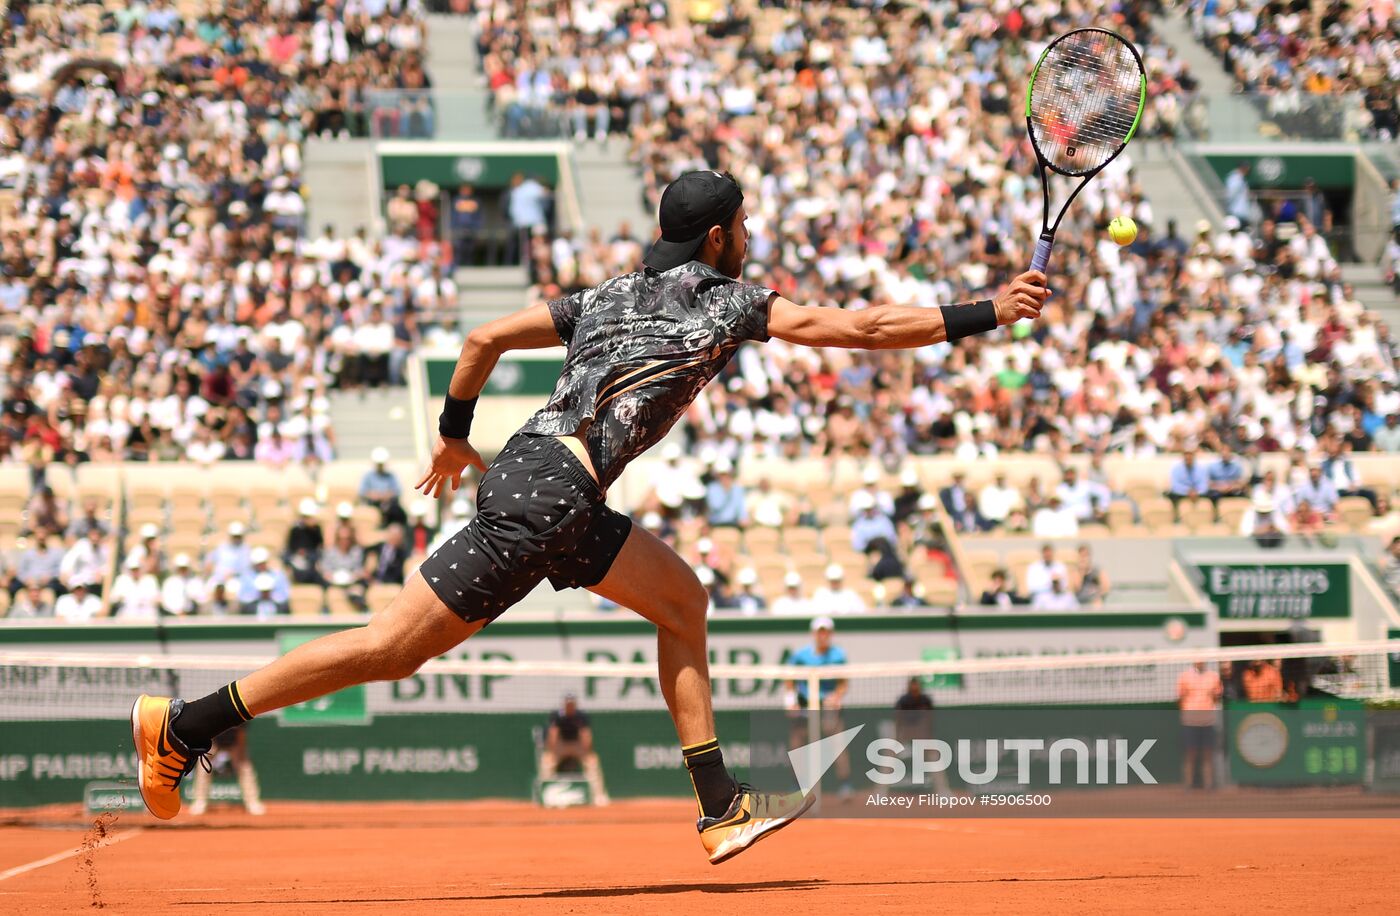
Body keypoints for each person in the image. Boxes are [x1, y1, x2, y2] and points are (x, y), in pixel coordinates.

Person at [131, 169, 1048, 864]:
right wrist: (987, 313)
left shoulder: (604, 296)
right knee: (386, 651)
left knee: (680, 603)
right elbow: (866, 329)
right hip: (553, 497)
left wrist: (455, 435)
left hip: (543, 481)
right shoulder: (728, 302)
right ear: (723, 238)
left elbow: (482, 337)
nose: (748, 241)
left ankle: (720, 804)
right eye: (745, 231)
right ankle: (186, 723)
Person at [785, 617, 851, 794]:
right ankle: (796, 785)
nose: (823, 636)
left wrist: (836, 696)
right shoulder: (801, 655)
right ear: (814, 634)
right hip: (806, 706)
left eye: (826, 632)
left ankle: (844, 784)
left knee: (838, 744)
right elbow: (789, 679)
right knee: (797, 746)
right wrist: (791, 700)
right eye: (820, 632)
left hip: (828, 707)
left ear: (831, 634)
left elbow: (843, 682)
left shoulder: (838, 656)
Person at [539, 694, 610, 806]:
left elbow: (586, 735)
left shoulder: (581, 716)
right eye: (568, 704)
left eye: (571, 704)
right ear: (564, 705)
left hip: (577, 745)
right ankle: (544, 795)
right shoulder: (557, 715)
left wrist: (587, 752)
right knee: (547, 761)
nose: (570, 706)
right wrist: (552, 752)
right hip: (561, 744)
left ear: (575, 705)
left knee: (592, 762)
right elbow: (553, 734)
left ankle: (598, 796)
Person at [188, 723, 266, 816]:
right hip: (213, 737)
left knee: (244, 767)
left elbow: (242, 732)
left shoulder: (241, 711)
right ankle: (199, 802)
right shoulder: (214, 711)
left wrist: (241, 751)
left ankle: (252, 803)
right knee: (204, 765)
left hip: (234, 738)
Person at [1177, 660, 1222, 790]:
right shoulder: (1185, 676)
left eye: (1202, 661)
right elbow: (1180, 698)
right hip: (1190, 721)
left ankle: (1209, 785)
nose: (1200, 663)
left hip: (1208, 721)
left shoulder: (1213, 676)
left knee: (1208, 754)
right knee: (1190, 754)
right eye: (1198, 661)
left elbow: (1217, 697)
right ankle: (1188, 785)